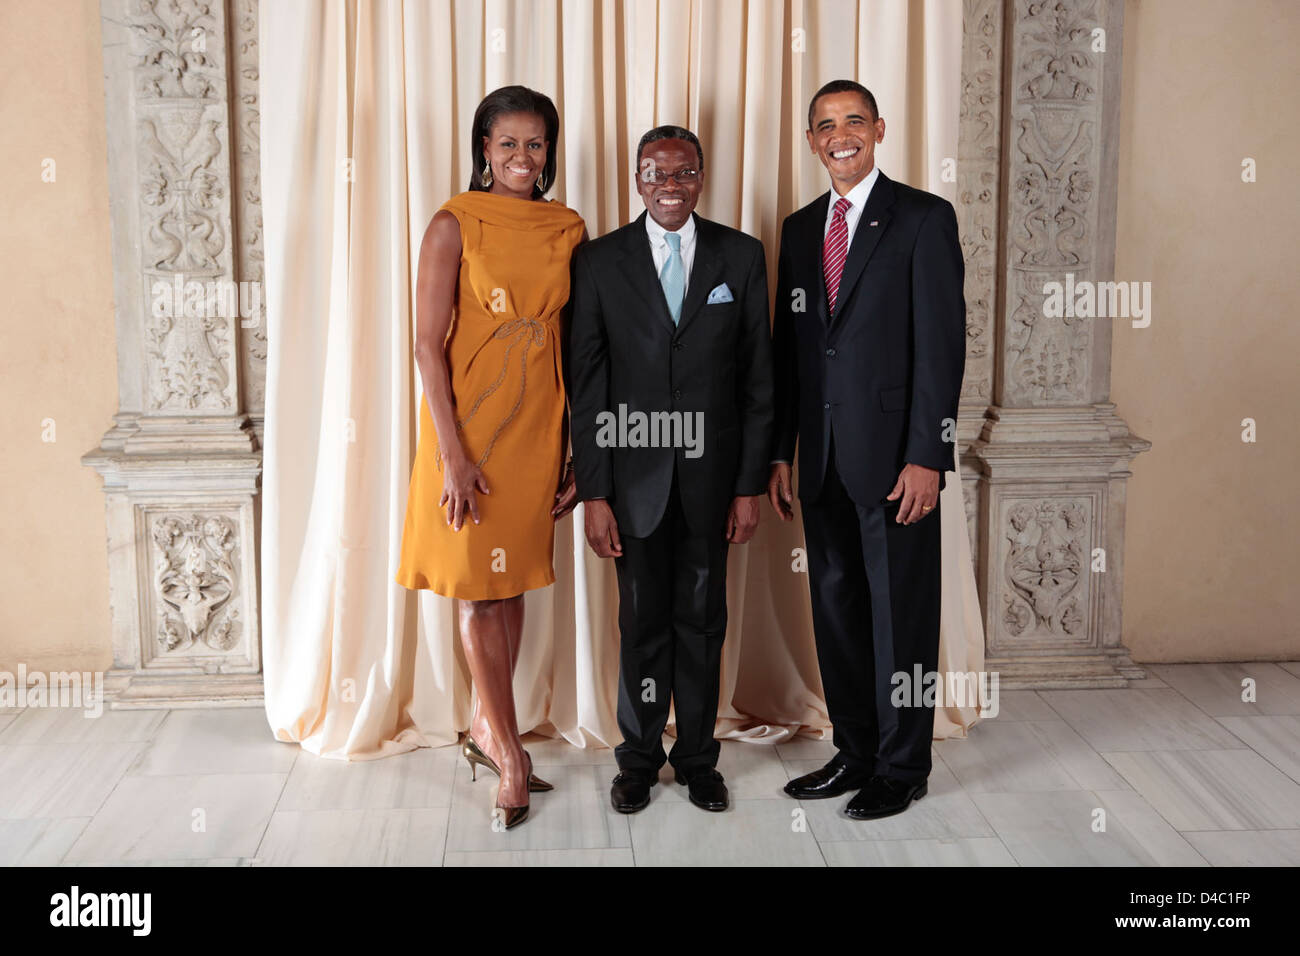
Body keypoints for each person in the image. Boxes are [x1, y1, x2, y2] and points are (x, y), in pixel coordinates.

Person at [769, 80, 966, 819]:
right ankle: (853, 751)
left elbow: (942, 351)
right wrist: (781, 452)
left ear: (879, 130)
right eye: (826, 125)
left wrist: (928, 456)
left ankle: (903, 764)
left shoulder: (921, 219)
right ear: (813, 141)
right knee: (839, 611)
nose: (840, 134)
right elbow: (792, 351)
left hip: (896, 462)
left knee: (901, 615)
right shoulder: (797, 229)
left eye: (854, 120)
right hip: (819, 458)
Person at [395, 85, 586, 829]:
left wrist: (572, 444)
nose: (521, 157)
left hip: (537, 426)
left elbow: (571, 340)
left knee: (511, 589)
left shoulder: (566, 227)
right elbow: (424, 344)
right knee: (479, 587)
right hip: (467, 429)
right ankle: (509, 752)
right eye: (507, 143)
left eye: (535, 144)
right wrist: (451, 455)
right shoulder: (453, 223)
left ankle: (487, 725)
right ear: (483, 148)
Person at [569, 125, 774, 814]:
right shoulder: (598, 262)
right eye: (654, 172)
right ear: (636, 180)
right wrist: (595, 492)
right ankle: (637, 761)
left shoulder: (741, 257)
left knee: (702, 625)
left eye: (683, 172)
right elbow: (588, 386)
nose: (669, 185)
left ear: (701, 178)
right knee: (641, 627)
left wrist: (748, 484)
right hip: (633, 487)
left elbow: (758, 383)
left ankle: (696, 760)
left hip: (713, 485)